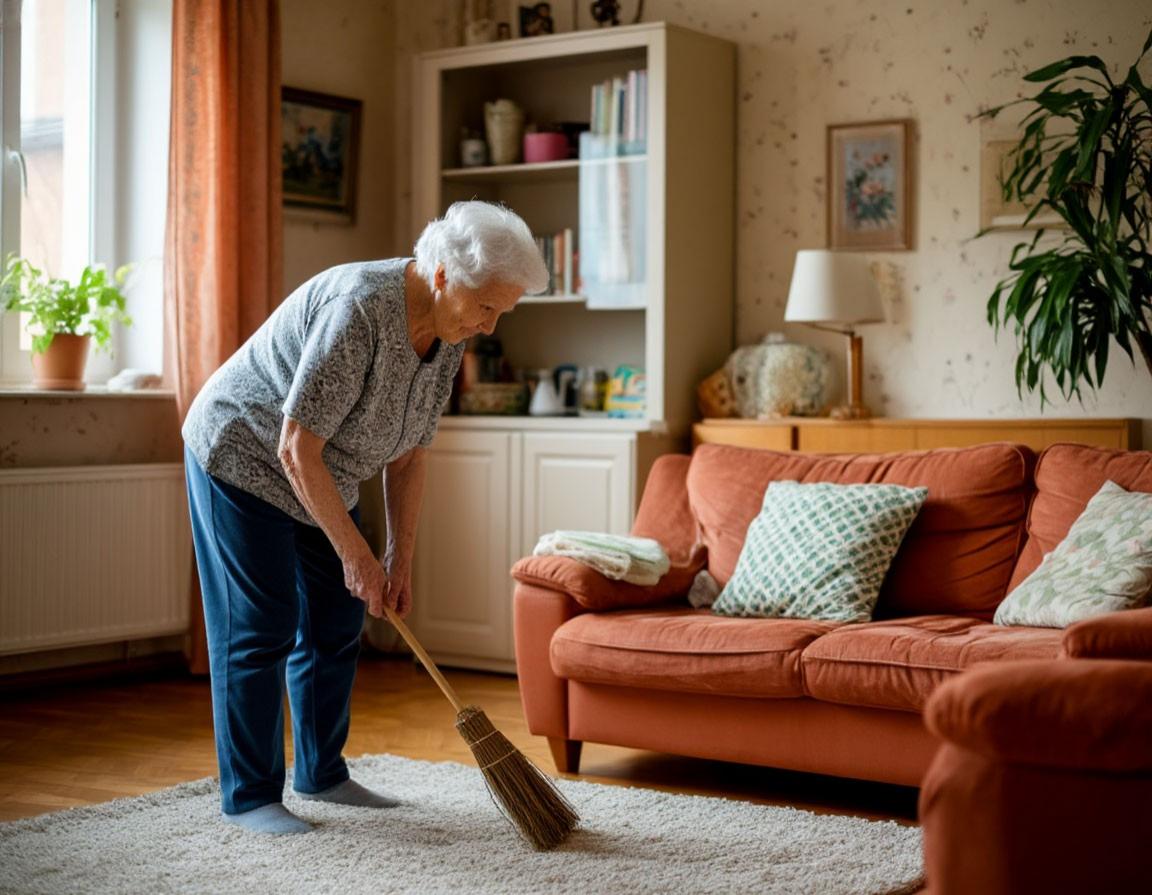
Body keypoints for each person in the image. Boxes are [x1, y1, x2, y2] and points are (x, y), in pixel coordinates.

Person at [181, 201, 548, 834]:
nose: (490, 326)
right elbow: (296, 447)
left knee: (337, 616)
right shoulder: (361, 309)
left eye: (501, 311)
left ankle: (322, 774)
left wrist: (396, 556)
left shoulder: (449, 334)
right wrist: (355, 552)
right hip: (244, 452)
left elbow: (408, 456)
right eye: (487, 306)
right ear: (441, 276)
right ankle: (251, 796)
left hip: (325, 471)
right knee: (261, 623)